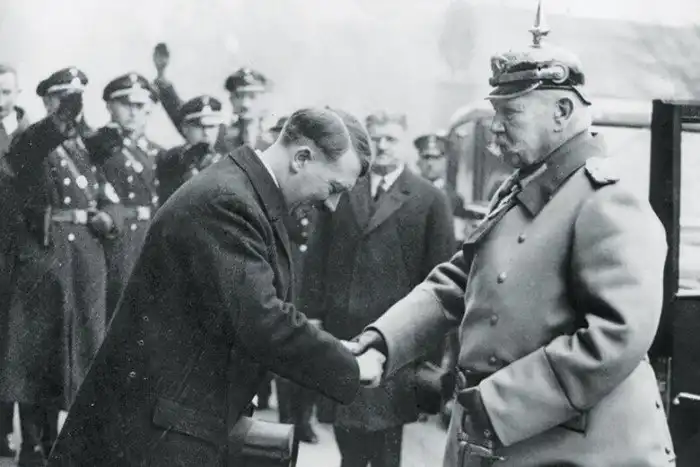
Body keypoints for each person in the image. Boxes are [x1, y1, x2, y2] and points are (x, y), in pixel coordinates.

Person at [347, 9, 676, 467]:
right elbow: (458, 280)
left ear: (562, 112)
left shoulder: (607, 200)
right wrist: (384, 341)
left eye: (510, 113)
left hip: (576, 451)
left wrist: (497, 401)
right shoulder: (521, 189)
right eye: (495, 113)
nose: (496, 128)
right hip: (501, 440)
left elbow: (617, 335)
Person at [47, 107, 384, 466]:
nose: (332, 205)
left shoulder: (242, 191)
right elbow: (260, 319)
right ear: (302, 157)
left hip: (167, 423)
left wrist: (334, 349)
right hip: (151, 438)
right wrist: (350, 366)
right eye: (333, 188)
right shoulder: (229, 201)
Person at [300, 111, 455, 467]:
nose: (383, 146)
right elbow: (316, 258)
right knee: (347, 440)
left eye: (391, 139)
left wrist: (430, 355)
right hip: (343, 334)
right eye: (376, 139)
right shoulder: (343, 187)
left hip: (395, 340)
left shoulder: (429, 198)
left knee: (386, 446)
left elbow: (440, 278)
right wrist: (313, 317)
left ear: (404, 143)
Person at [0, 73, 115, 466]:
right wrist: (57, 123)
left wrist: (107, 218)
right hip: (45, 255)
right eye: (63, 99)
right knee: (39, 352)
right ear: (47, 102)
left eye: (76, 100)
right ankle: (32, 444)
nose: (71, 108)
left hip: (83, 254)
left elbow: (106, 190)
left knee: (81, 348)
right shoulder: (31, 139)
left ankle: (60, 441)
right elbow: (30, 150)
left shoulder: (84, 145)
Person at [86, 73, 164, 319]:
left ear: (149, 109)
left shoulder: (157, 153)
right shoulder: (95, 147)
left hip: (150, 236)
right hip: (116, 239)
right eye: (125, 104)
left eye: (139, 105)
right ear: (109, 106)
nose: (133, 112)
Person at [152, 43, 270, 153]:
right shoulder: (220, 137)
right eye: (238, 96)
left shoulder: (275, 141)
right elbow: (186, 120)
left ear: (264, 98)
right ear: (231, 100)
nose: (245, 103)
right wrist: (162, 79)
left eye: (252, 96)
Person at [0, 62, 30, 460]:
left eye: (6, 92)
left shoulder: (31, 136)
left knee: (14, 342)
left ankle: (8, 429)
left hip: (23, 253)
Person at [156, 95, 226, 204]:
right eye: (199, 126)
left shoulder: (228, 159)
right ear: (185, 128)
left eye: (212, 126)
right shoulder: (171, 160)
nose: (206, 133)